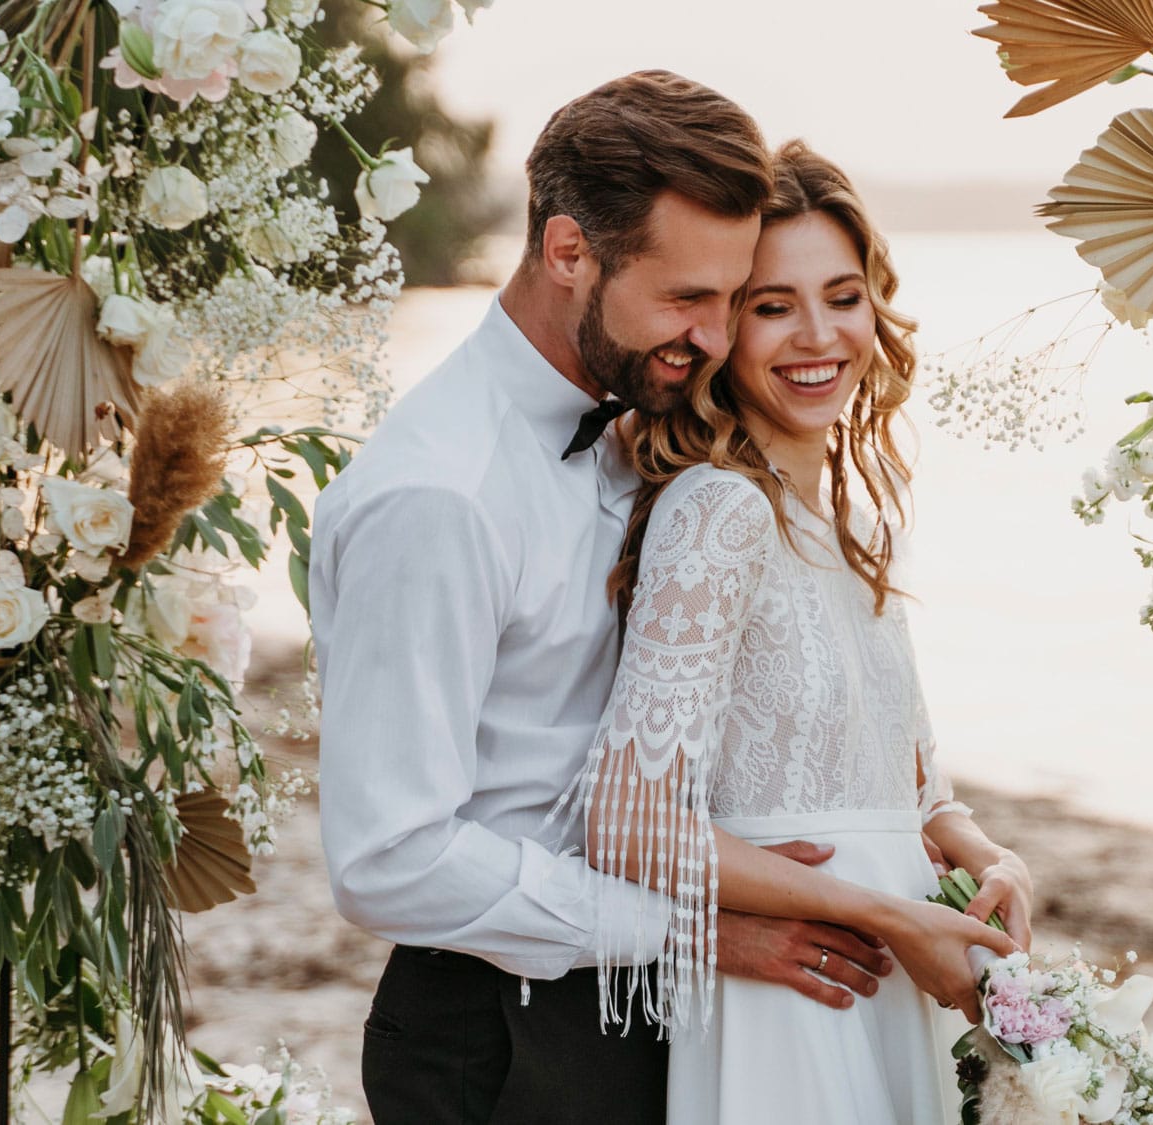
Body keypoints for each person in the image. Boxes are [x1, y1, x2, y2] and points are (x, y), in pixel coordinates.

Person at [311, 74, 894, 1125]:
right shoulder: (438, 497)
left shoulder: (638, 426)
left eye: (730, 298)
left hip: (652, 1015)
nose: (714, 339)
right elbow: (389, 860)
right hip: (501, 1036)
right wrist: (687, 932)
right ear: (567, 251)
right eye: (685, 299)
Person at [567, 141, 1035, 1125]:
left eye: (843, 295)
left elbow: (904, 781)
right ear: (720, 330)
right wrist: (883, 914)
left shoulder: (853, 524)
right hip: (799, 996)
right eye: (772, 306)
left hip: (897, 978)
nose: (816, 335)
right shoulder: (714, 511)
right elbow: (628, 827)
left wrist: (987, 854)